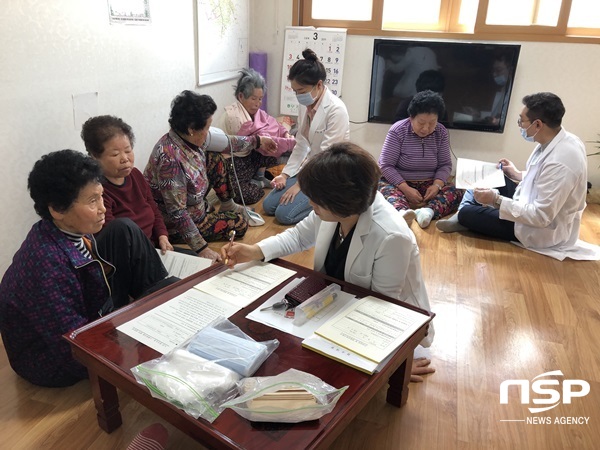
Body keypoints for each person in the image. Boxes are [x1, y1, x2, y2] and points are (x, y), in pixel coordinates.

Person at [222, 142, 435, 381]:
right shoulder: (331, 211)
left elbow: (383, 307)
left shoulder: (391, 236)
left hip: (379, 320)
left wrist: (396, 364)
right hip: (334, 305)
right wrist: (253, 250)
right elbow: (298, 236)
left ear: (340, 203)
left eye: (316, 200)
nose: (310, 204)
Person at [0, 150, 174, 387]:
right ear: (57, 209)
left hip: (87, 313)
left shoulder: (62, 230)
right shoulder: (47, 267)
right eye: (93, 201)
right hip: (53, 362)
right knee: (170, 301)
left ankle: (160, 304)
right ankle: (162, 313)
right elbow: (73, 348)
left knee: (124, 229)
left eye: (101, 196)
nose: (102, 208)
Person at [436, 92, 600, 261]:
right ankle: (470, 210)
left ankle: (464, 215)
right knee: (486, 177)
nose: (520, 124)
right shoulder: (560, 139)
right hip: (526, 202)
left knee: (467, 214)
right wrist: (516, 173)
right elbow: (542, 177)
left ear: (537, 124)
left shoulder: (562, 162)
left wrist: (496, 200)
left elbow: (541, 217)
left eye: (522, 120)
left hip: (538, 230)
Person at [144, 90, 276, 263]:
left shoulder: (190, 138)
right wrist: (202, 248)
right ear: (192, 129)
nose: (208, 132)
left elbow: (229, 142)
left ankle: (227, 205)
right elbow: (177, 213)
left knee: (216, 159)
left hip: (195, 202)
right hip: (175, 225)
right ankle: (205, 220)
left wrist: (258, 141)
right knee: (239, 223)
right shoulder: (169, 160)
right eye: (206, 127)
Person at [262, 48, 350, 225]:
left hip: (327, 172)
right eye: (295, 91)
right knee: (268, 206)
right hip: (310, 169)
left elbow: (325, 155)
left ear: (319, 85)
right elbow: (301, 143)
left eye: (301, 91)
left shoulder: (336, 110)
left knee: (283, 215)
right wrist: (286, 175)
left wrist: (300, 185)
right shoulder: (306, 104)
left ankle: (330, 203)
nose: (298, 96)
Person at [81, 115, 177, 254]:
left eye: (128, 150)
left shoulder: (136, 175)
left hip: (153, 247)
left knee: (204, 265)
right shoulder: (98, 191)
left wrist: (162, 236)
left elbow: (154, 209)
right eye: (115, 155)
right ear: (95, 157)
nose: (125, 159)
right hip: (130, 256)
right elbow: (115, 237)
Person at [378, 90, 463, 228]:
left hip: (429, 184)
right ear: (411, 117)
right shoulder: (397, 131)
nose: (426, 128)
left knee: (457, 191)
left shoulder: (440, 132)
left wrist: (436, 185)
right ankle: (402, 213)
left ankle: (427, 212)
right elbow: (386, 165)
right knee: (382, 190)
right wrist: (405, 188)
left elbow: (445, 165)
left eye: (432, 123)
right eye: (421, 122)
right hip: (400, 183)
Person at [215, 68, 296, 204]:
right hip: (233, 162)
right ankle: (258, 183)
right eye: (253, 99)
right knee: (247, 195)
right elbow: (261, 139)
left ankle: (259, 177)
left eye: (260, 99)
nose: (258, 103)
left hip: (249, 155)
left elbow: (274, 124)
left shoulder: (256, 111)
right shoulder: (234, 116)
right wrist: (288, 143)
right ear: (241, 96)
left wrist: (286, 134)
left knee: (284, 143)